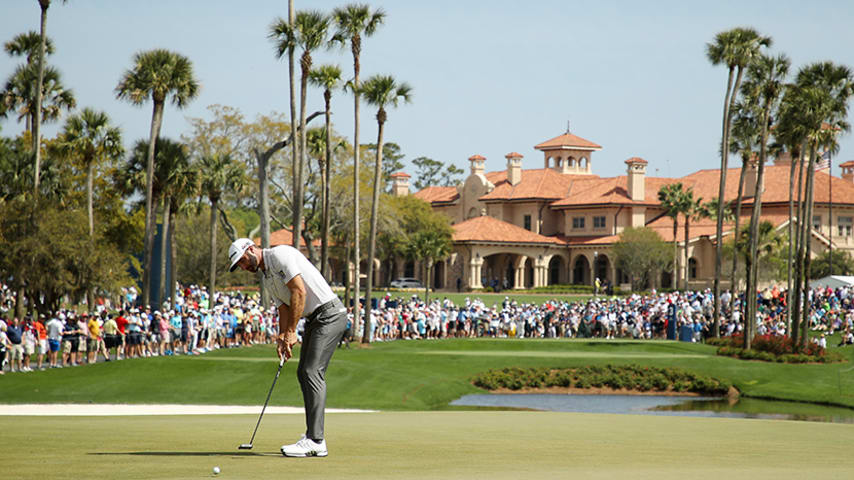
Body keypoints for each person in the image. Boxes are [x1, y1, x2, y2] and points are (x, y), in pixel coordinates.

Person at [229, 237, 347, 458]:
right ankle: (312, 434)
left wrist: (292, 331)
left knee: (311, 372)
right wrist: (283, 337)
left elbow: (299, 292)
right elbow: (284, 308)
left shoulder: (280, 254)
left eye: (243, 260)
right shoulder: (268, 279)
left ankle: (316, 441)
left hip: (330, 315)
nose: (244, 267)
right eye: (240, 266)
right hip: (316, 319)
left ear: (251, 249)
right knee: (304, 373)